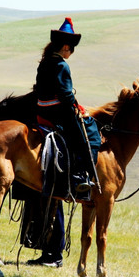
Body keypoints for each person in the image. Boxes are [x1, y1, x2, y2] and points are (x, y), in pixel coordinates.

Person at [34, 17, 101, 195]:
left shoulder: (44, 62)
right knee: (88, 134)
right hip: (57, 112)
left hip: (41, 111)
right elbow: (66, 95)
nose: (71, 52)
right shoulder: (62, 65)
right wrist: (77, 107)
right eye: (71, 49)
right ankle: (80, 176)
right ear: (65, 47)